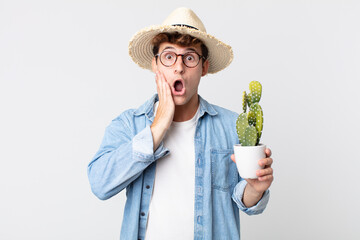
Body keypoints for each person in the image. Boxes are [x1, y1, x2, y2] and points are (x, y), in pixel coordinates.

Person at [87, 7, 274, 240]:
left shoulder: (232, 125)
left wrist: (255, 189)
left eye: (190, 57)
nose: (179, 66)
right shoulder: (129, 125)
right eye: (168, 56)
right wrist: (158, 127)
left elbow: (243, 199)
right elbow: (99, 184)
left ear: (204, 67)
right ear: (155, 65)